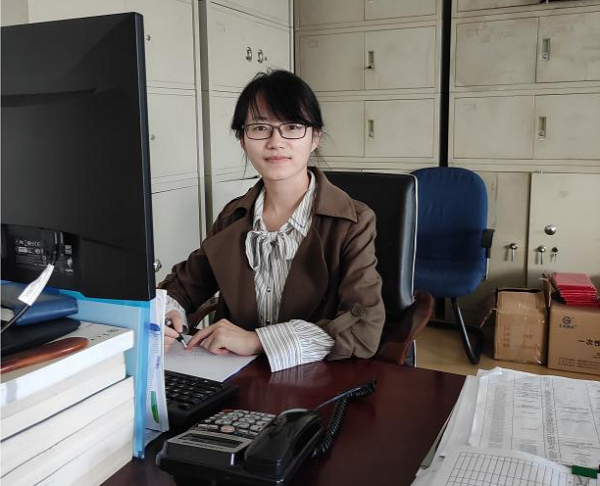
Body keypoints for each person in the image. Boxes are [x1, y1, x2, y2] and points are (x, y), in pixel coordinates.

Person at [159, 70, 385, 372]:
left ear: (315, 137)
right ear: (242, 140)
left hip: (318, 377)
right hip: (234, 374)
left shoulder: (353, 222)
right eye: (260, 128)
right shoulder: (233, 216)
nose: (276, 142)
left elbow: (364, 328)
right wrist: (167, 315)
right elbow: (184, 285)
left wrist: (258, 341)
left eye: (292, 127)